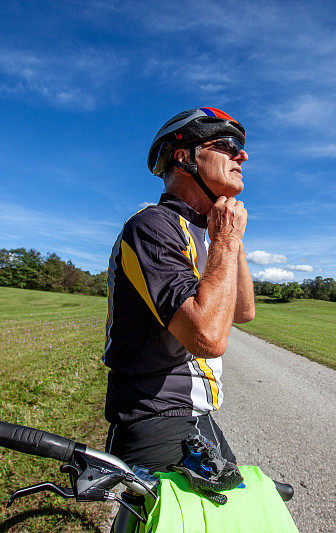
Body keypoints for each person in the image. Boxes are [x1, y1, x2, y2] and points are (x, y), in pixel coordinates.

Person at [103, 107, 255, 474]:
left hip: (196, 415)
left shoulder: (204, 236)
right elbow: (206, 336)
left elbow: (242, 311)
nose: (243, 155)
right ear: (184, 157)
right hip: (155, 415)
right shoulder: (152, 227)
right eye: (228, 145)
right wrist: (225, 240)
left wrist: (229, 240)